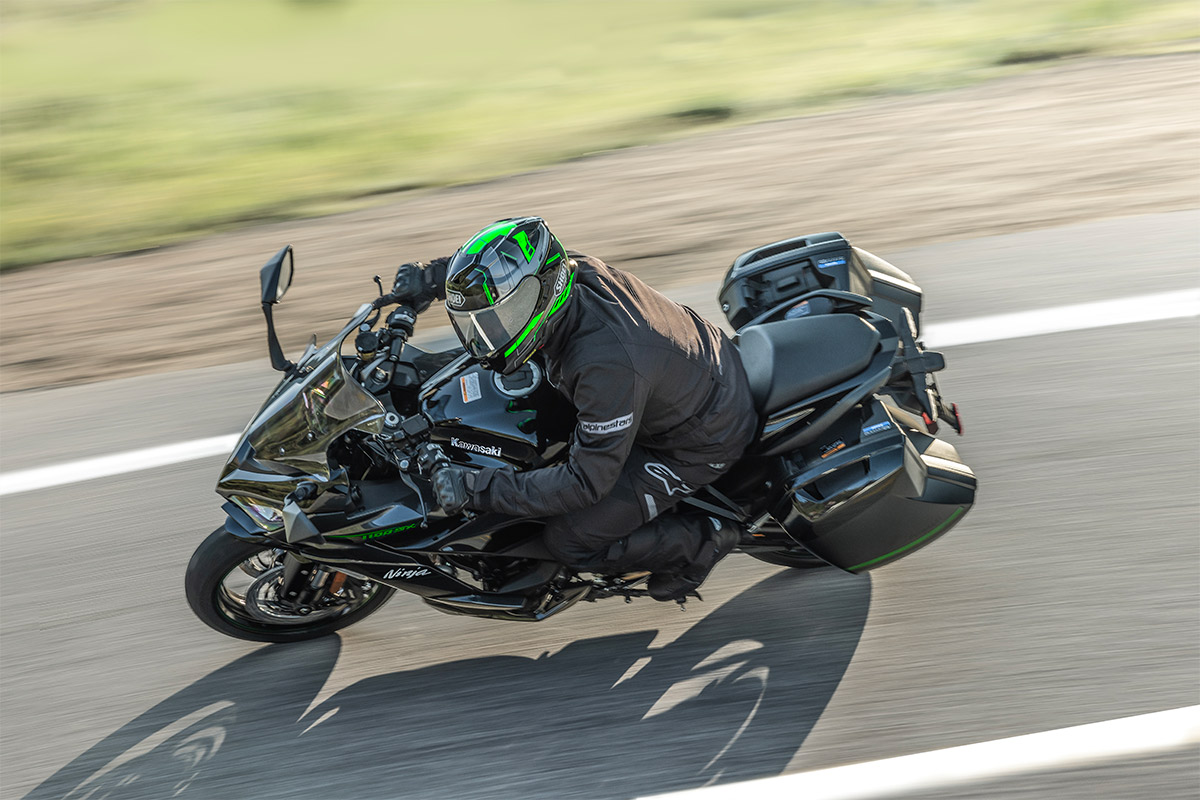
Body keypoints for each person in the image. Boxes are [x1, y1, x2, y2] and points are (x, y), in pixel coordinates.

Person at [391, 217, 757, 601]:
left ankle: (703, 542)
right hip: (683, 372)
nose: (488, 334)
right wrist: (432, 277)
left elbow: (586, 482)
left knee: (570, 540)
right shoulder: (560, 274)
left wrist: (473, 487)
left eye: (500, 320)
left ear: (540, 298)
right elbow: (503, 268)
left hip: (700, 437)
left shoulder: (603, 365)